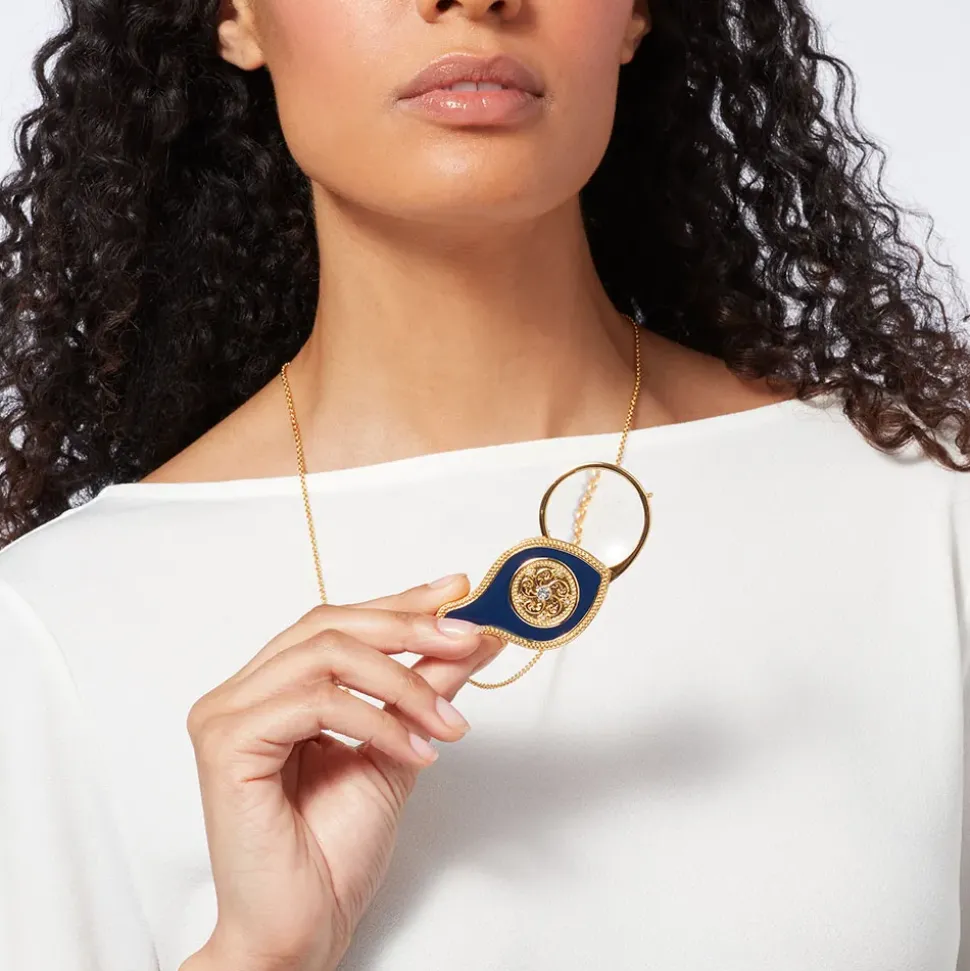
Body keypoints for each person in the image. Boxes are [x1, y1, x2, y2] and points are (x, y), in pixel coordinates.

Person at [1, 0, 969, 968]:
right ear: (237, 18)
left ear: (635, 14)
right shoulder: (52, 629)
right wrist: (264, 953)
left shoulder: (926, 511)